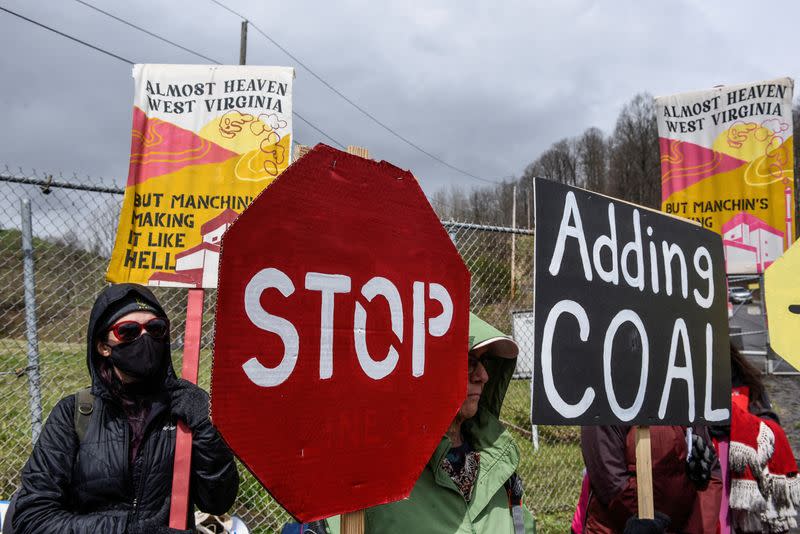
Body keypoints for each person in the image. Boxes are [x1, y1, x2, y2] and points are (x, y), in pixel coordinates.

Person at [11, 283, 239, 534]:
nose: (145, 338)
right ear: (103, 346)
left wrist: (206, 425)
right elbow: (32, 519)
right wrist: (127, 530)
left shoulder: (183, 410)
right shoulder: (74, 413)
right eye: (128, 331)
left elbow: (218, 501)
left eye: (156, 328)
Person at [340, 312, 536, 533]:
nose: (483, 376)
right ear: (425, 367)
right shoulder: (378, 481)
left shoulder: (499, 460)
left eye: (486, 362)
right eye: (469, 362)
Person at [716, 343, 799, 533]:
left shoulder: (747, 381)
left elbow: (768, 417)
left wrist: (742, 423)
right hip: (716, 477)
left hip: (747, 477)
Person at [580, 422, 721, 533]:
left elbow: (711, 474)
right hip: (621, 526)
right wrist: (647, 524)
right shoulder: (610, 397)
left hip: (684, 526)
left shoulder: (685, 393)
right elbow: (611, 480)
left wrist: (695, 530)